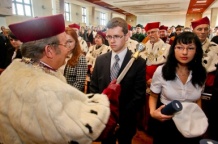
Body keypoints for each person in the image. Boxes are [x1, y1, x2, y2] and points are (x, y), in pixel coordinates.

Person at [0, 14, 121, 144]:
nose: (68, 50)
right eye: (64, 44)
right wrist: (107, 100)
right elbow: (82, 130)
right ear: (49, 50)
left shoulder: (11, 71)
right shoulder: (46, 88)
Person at [90, 17, 146, 144]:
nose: (112, 41)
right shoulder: (100, 60)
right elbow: (94, 88)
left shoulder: (138, 63)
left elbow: (139, 96)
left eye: (116, 36)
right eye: (109, 37)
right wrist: (102, 112)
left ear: (126, 36)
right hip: (104, 118)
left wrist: (119, 118)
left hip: (126, 120)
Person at [149, 32, 207, 144]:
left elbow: (198, 98)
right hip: (167, 121)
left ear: (196, 51)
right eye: (179, 47)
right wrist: (152, 113)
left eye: (190, 48)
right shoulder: (162, 71)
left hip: (190, 122)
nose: (184, 52)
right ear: (173, 49)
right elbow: (153, 95)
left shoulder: (201, 72)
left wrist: (199, 117)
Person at [191, 16, 218, 139]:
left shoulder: (215, 47)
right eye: (199, 29)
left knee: (207, 116)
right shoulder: (187, 45)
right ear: (194, 31)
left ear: (209, 31)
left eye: (205, 29)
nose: (202, 32)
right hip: (188, 85)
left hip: (208, 88)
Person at [63, 27, 87, 92]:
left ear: (75, 42)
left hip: (72, 94)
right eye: (65, 41)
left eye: (70, 41)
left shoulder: (80, 58)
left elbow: (79, 82)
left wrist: (67, 93)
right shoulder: (59, 56)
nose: (67, 44)